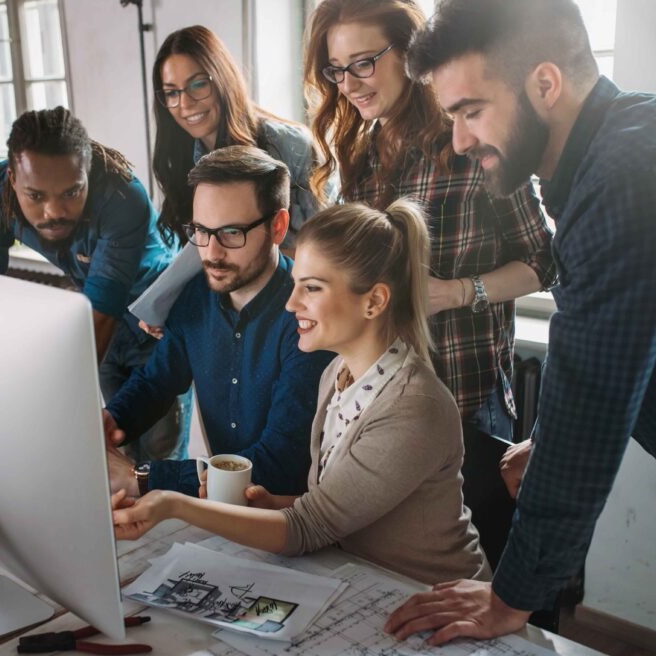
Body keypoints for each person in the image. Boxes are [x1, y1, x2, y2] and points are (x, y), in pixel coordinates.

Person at [387, 1, 656, 652]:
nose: (458, 140)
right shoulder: (634, 138)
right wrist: (550, 438)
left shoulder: (632, 175)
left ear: (545, 83)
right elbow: (629, 330)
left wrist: (513, 597)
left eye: (471, 111)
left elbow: (594, 391)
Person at [113, 199, 490, 586]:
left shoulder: (413, 408)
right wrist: (272, 504)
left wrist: (175, 504)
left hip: (436, 598)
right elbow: (331, 505)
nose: (292, 304)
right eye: (296, 286)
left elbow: (308, 528)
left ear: (374, 301)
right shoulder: (336, 374)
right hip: (365, 582)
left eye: (311, 288)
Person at [304, 0, 556, 441]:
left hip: (465, 400)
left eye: (363, 64)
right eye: (336, 70)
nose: (348, 85)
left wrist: (457, 292)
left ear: (407, 53)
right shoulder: (360, 159)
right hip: (380, 400)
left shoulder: (471, 144)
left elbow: (544, 263)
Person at [103, 146, 333, 497]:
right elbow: (157, 382)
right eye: (201, 231)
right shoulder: (194, 295)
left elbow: (277, 464)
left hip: (296, 519)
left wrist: (143, 477)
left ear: (277, 226)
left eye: (230, 233)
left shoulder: (308, 315)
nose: (211, 253)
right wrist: (113, 421)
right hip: (224, 510)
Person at [0, 107, 180, 460]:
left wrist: (47, 411)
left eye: (70, 193)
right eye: (35, 196)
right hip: (100, 317)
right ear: (13, 180)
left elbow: (102, 308)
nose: (54, 211)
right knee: (115, 440)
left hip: (157, 320)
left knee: (158, 450)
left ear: (88, 174)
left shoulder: (123, 196)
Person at [152, 25, 332, 253]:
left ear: (222, 80)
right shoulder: (180, 160)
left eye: (198, 85)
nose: (186, 104)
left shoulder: (289, 144)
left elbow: (332, 244)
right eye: (172, 93)